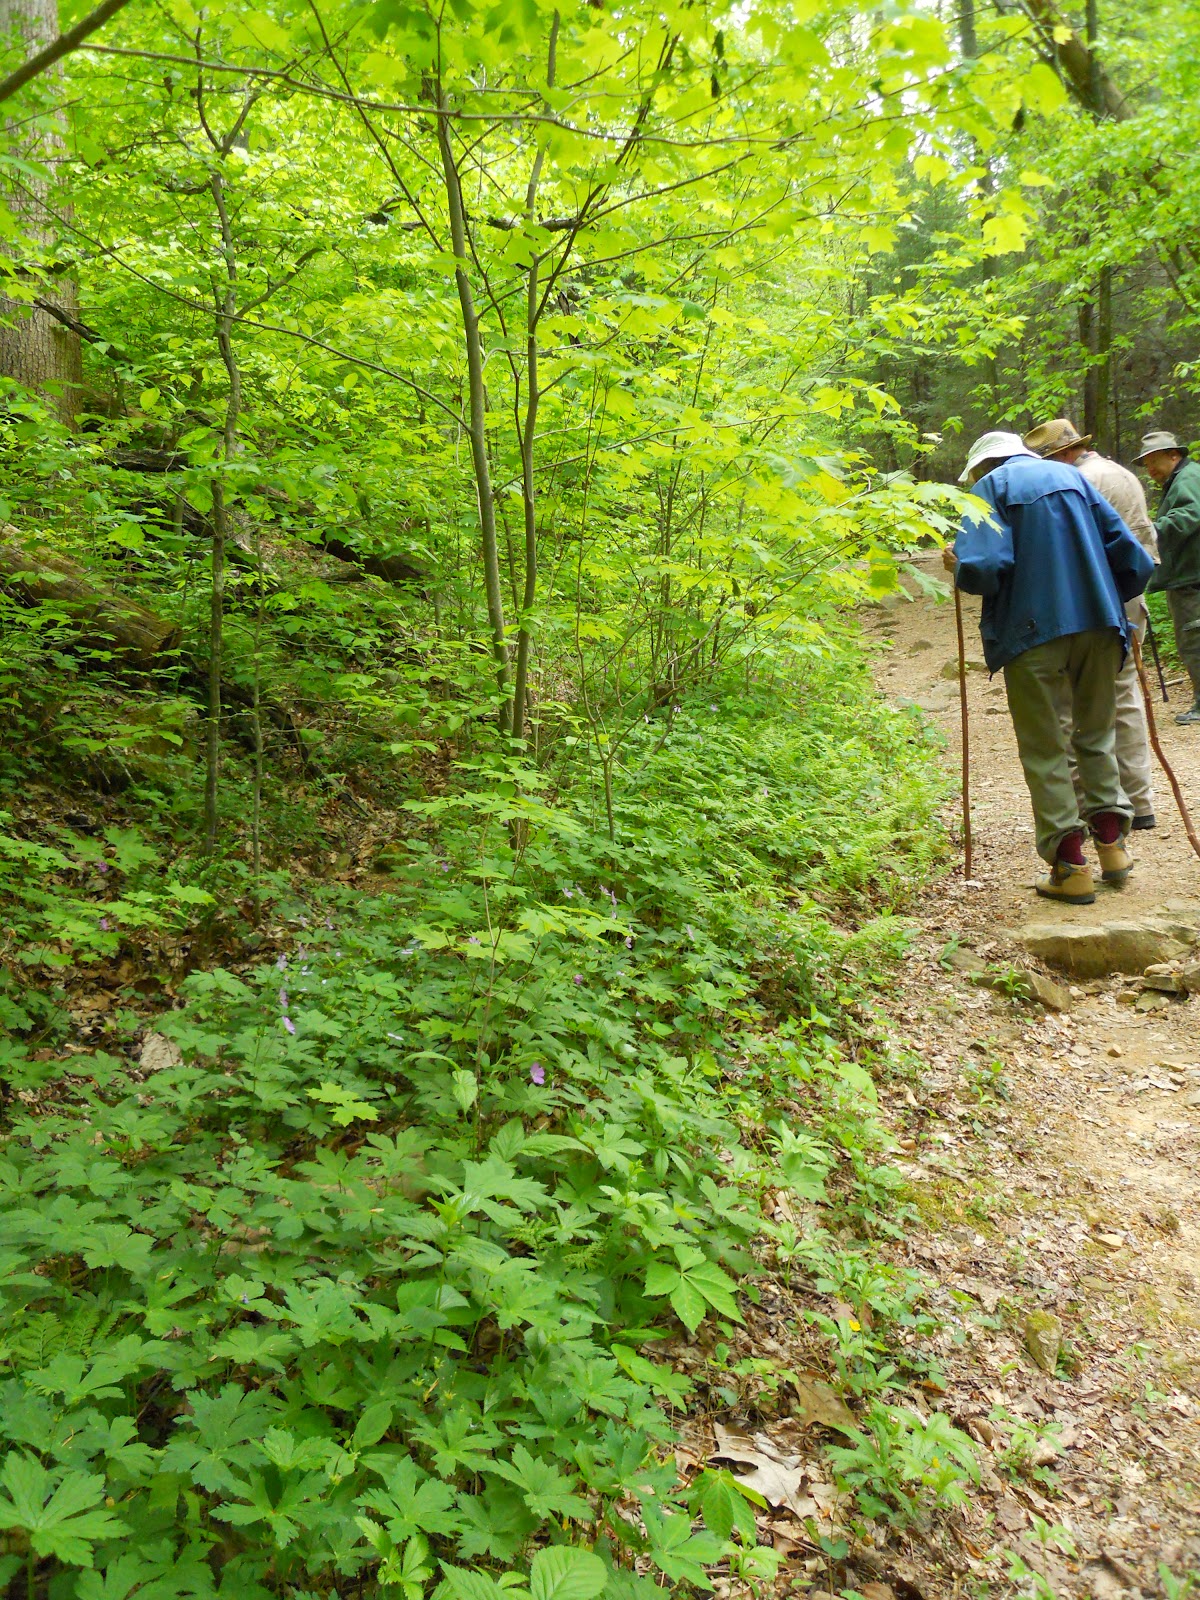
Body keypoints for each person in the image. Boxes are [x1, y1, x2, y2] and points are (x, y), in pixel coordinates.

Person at [947, 430, 1155, 904]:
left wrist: (958, 565)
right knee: (1096, 736)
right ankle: (1112, 847)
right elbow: (1130, 556)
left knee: (1046, 749)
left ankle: (1070, 867)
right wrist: (1104, 599)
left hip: (1032, 631)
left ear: (986, 465)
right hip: (1102, 626)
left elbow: (984, 567)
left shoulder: (990, 490)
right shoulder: (1073, 477)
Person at [1023, 418, 1159, 828]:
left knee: (1085, 699)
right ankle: (1139, 800)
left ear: (1063, 453)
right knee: (1124, 692)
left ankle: (1098, 804)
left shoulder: (1082, 481)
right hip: (1132, 586)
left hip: (1101, 595)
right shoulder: (1118, 471)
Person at [1132, 430, 1200, 726]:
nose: (1150, 471)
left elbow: (1191, 513)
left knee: (1193, 639)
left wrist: (1153, 530)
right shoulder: (1185, 477)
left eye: (1154, 462)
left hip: (1192, 577)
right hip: (1189, 573)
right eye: (1146, 465)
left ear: (1174, 455)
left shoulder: (1187, 479)